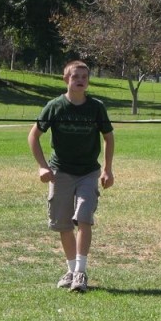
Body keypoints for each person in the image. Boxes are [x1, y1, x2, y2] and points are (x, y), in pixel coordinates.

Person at [29, 60, 115, 293]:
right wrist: (42, 167)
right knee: (63, 224)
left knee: (84, 217)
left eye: (85, 77)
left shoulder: (96, 107)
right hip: (61, 173)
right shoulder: (55, 106)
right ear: (65, 79)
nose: (80, 80)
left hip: (88, 172)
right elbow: (33, 136)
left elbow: (108, 138)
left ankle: (80, 273)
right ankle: (70, 269)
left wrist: (107, 169)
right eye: (76, 76)